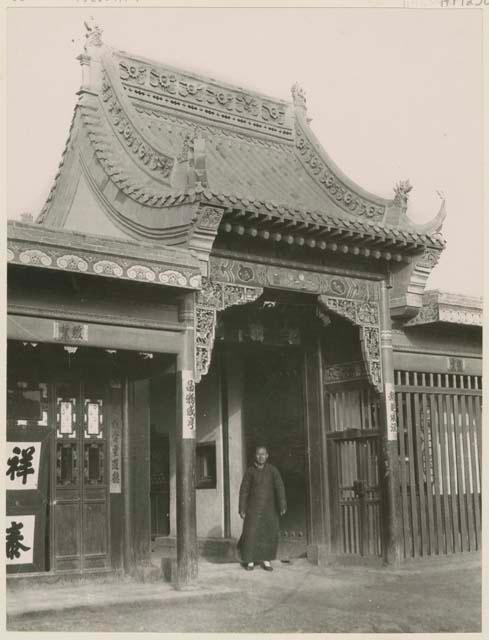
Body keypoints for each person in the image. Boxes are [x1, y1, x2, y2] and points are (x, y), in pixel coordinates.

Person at [237, 445, 287, 571]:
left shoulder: (272, 470)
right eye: (258, 454)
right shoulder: (250, 471)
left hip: (269, 509)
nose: (261, 456)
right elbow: (244, 491)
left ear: (267, 456)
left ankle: (267, 560)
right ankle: (250, 561)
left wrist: (282, 504)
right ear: (255, 456)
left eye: (263, 454)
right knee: (251, 534)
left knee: (268, 534)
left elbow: (279, 487)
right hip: (253, 509)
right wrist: (242, 508)